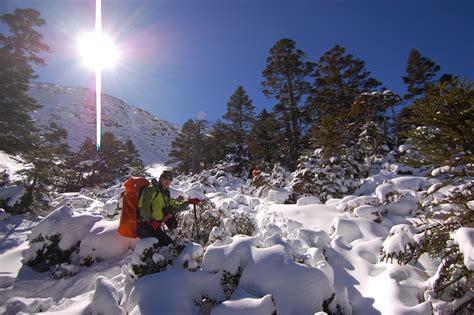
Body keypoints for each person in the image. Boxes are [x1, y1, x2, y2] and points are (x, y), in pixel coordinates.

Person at [136, 170, 200, 245]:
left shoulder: (165, 194)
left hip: (156, 226)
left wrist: (189, 202)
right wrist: (150, 221)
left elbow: (177, 207)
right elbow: (143, 206)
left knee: (168, 244)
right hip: (145, 226)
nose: (168, 181)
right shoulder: (151, 190)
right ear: (161, 179)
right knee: (166, 245)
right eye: (165, 178)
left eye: (170, 179)